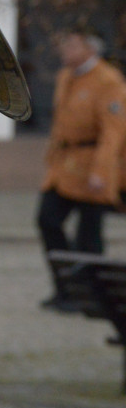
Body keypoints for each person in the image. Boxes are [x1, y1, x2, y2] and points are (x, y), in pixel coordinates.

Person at [38, 25, 126, 312]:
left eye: (73, 45)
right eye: (65, 45)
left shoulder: (107, 80)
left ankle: (94, 295)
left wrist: (101, 172)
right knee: (47, 219)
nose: (65, 51)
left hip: (92, 166)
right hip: (64, 166)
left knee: (89, 235)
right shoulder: (66, 76)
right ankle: (66, 287)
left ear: (90, 49)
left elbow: (113, 133)